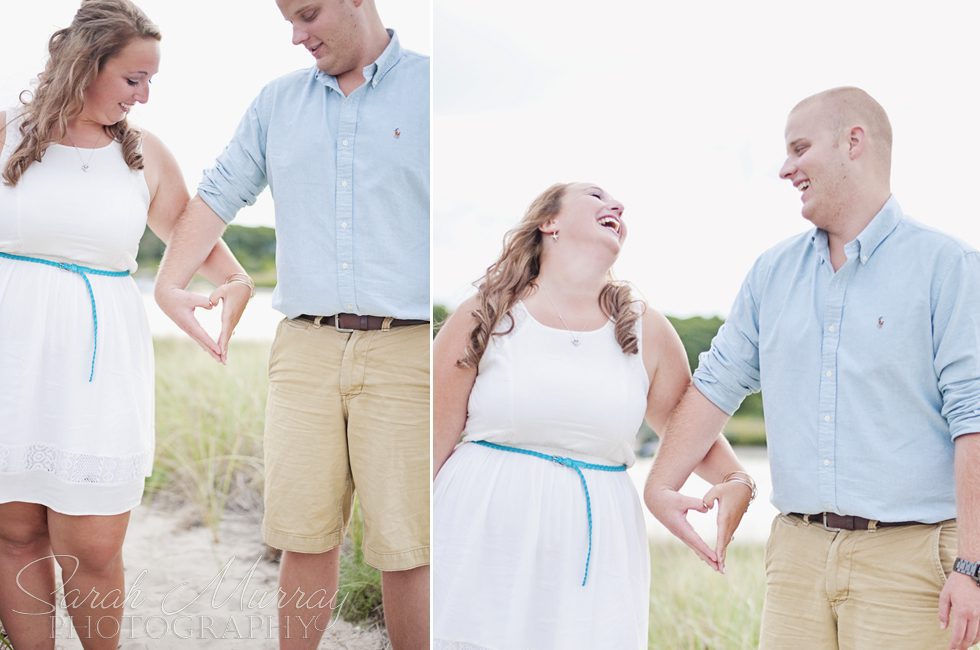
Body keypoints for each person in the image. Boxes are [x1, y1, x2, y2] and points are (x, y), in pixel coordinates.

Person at [645, 87, 980, 650]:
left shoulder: (949, 268)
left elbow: (973, 420)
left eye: (799, 149)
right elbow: (715, 386)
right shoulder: (771, 272)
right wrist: (659, 484)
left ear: (854, 142)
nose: (784, 168)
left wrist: (972, 567)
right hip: (796, 556)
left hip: (911, 561)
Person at [153, 0, 430, 647]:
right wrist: (168, 283)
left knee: (406, 546)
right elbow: (217, 192)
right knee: (303, 535)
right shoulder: (277, 103)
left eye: (307, 15)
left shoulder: (428, 88)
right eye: (287, 22)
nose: (297, 37)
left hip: (409, 349)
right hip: (303, 348)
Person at [0, 1, 251, 647]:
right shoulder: (5, 133)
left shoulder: (145, 157)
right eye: (132, 78)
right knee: (15, 534)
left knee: (94, 547)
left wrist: (235, 282)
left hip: (96, 365)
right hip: (11, 357)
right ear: (84, 66)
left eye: (150, 80)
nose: (144, 95)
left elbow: (195, 245)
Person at [432, 182, 754, 649]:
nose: (617, 206)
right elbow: (431, 447)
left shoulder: (647, 329)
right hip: (480, 531)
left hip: (597, 544)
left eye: (618, 205)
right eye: (597, 197)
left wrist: (738, 479)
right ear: (550, 222)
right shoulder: (485, 312)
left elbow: (692, 433)